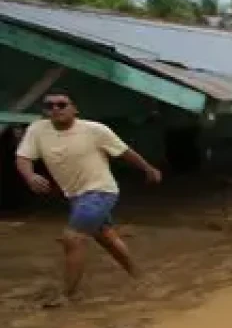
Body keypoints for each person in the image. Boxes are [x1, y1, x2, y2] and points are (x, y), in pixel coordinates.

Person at [15, 89, 164, 302]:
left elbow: (124, 152)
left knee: (73, 238)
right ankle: (139, 276)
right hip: (75, 196)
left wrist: (148, 169)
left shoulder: (95, 130)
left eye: (61, 104)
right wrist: (30, 176)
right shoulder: (37, 129)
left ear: (74, 109)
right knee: (107, 238)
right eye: (49, 106)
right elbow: (23, 157)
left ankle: (67, 295)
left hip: (100, 191)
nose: (55, 109)